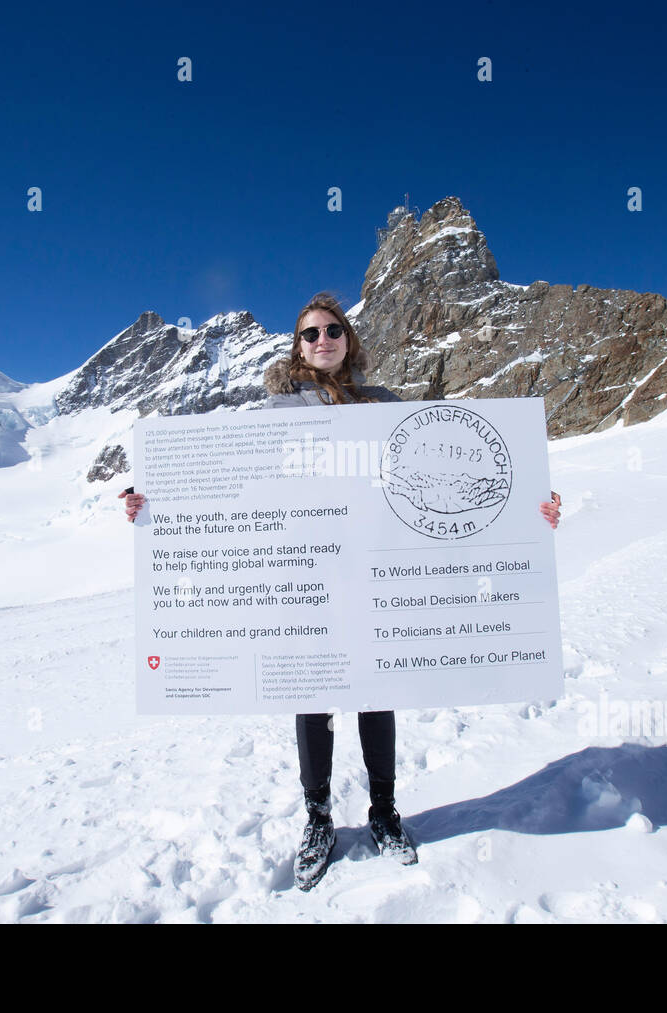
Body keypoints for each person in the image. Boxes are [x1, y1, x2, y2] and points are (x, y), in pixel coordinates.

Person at [123, 292, 561, 891]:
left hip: (373, 572)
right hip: (308, 580)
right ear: (297, 345)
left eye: (332, 330)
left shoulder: (386, 407)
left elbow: (438, 479)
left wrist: (530, 509)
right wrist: (153, 504)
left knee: (378, 692)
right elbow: (235, 491)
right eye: (310, 333)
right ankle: (319, 819)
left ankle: (383, 812)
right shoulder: (277, 412)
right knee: (315, 696)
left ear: (348, 338)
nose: (322, 340)